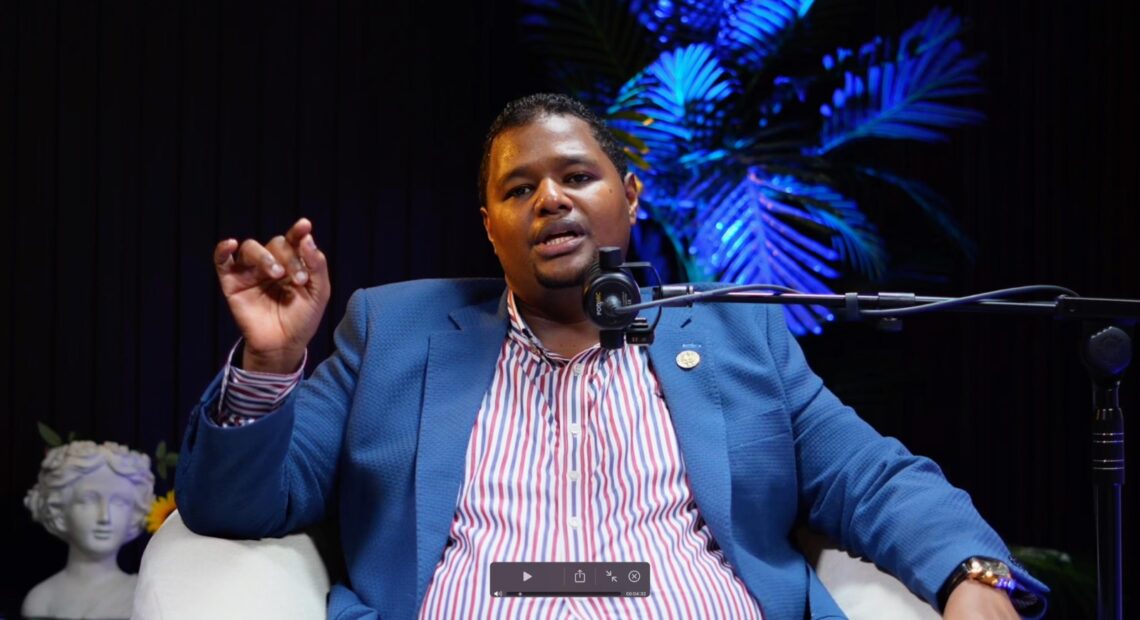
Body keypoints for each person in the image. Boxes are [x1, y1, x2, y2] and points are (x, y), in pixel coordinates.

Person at [176, 93, 1046, 619]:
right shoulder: (392, 333)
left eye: (577, 177)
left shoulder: (735, 334)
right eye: (519, 189)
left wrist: (971, 572)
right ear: (490, 228)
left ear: (629, 198)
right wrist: (271, 361)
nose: (550, 199)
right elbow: (237, 505)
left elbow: (871, 477)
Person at [24, 441, 155, 620]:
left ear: (135, 512)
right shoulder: (42, 600)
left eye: (119, 502)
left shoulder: (142, 596)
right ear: (59, 510)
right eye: (88, 500)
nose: (105, 517)